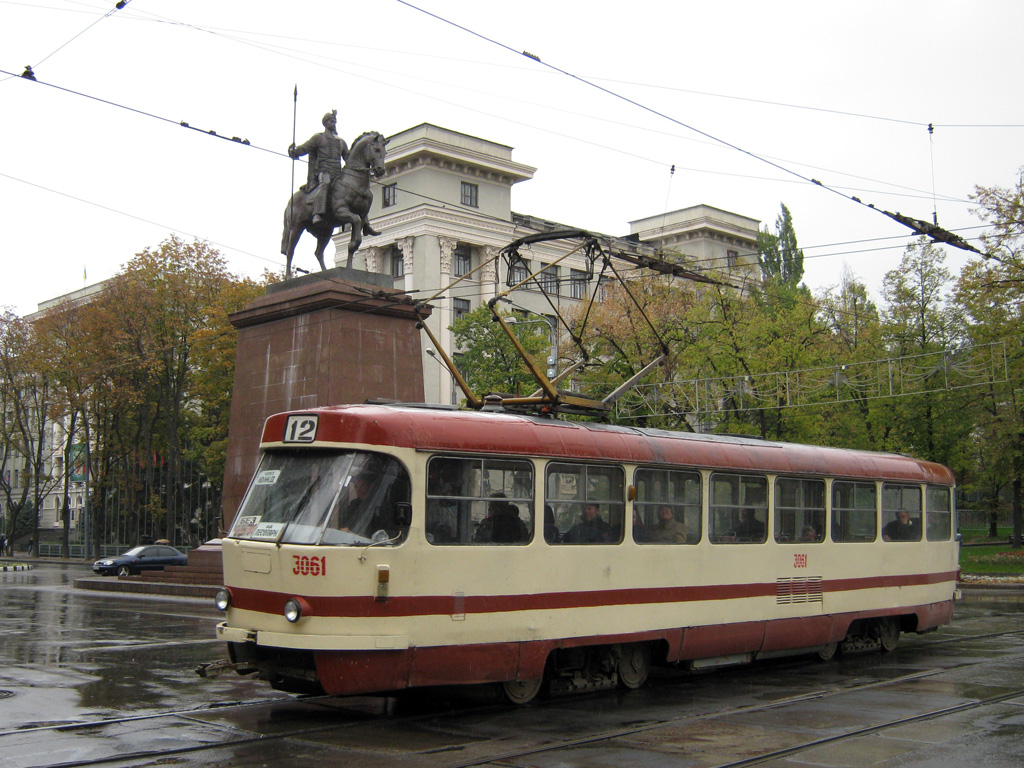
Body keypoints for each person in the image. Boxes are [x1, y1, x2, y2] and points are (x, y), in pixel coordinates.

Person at [288, 110, 349, 225]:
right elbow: (305, 148)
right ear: (325, 123)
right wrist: (295, 152)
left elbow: (348, 157)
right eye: (331, 121)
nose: (333, 124)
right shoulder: (319, 138)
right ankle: (317, 212)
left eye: (334, 121)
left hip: (338, 173)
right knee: (325, 183)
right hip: (324, 171)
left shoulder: (341, 142)